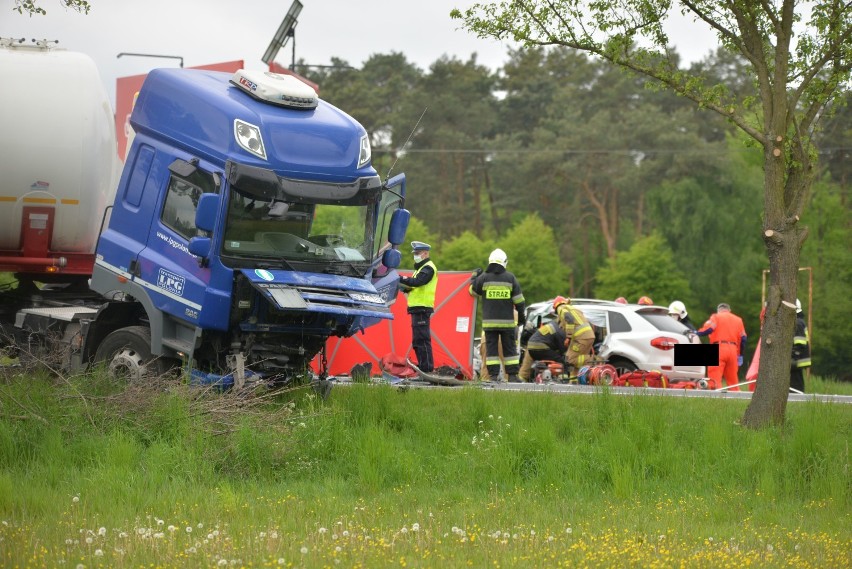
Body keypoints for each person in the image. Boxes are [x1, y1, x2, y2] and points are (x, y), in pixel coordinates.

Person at [469, 248, 525, 383]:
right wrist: (521, 318)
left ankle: (493, 376)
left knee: (491, 351)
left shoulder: (484, 278)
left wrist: (474, 277)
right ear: (504, 262)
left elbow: (472, 291)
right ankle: (512, 376)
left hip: (490, 324)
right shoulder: (510, 278)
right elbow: (519, 301)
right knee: (510, 350)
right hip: (507, 323)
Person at [397, 241, 437, 373]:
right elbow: (414, 285)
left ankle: (426, 368)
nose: (415, 256)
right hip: (416, 308)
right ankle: (423, 366)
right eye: (415, 253)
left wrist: (400, 278)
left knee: (422, 339)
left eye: (418, 253)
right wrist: (406, 287)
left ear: (425, 253)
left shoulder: (428, 268)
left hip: (422, 307)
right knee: (417, 340)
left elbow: (418, 282)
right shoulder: (420, 269)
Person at [696, 303, 747, 390]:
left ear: (718, 311)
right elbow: (744, 339)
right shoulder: (738, 320)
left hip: (718, 349)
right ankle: (736, 399)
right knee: (733, 382)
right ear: (729, 311)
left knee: (714, 381)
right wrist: (740, 355)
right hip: (733, 350)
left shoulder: (716, 317)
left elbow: (708, 329)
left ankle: (716, 399)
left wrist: (696, 332)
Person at [552, 296, 596, 377]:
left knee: (570, 359)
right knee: (578, 360)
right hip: (588, 337)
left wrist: (568, 337)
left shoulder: (561, 308)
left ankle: (595, 360)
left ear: (556, 306)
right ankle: (574, 380)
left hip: (581, 338)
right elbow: (591, 324)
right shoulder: (574, 309)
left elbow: (569, 320)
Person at [790, 298, 812, 393]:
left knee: (795, 383)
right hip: (799, 358)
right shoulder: (799, 321)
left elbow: (800, 342)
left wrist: (793, 357)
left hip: (798, 359)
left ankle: (798, 397)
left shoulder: (797, 323)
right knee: (795, 380)